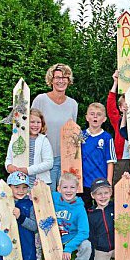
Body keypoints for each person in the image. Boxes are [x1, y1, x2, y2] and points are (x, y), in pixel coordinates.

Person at [31, 63, 78, 191]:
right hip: (44, 158)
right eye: (57, 77)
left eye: (64, 78)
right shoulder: (40, 100)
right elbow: (31, 127)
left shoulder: (73, 104)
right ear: (51, 80)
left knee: (64, 195)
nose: (61, 81)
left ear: (69, 81)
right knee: (46, 195)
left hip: (65, 158)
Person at [0, 171, 38, 260]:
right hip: (8, 243)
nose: (20, 191)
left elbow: (35, 227)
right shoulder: (2, 203)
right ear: (9, 187)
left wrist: (21, 217)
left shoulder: (30, 205)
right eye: (16, 187)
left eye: (24, 187)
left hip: (26, 242)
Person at [53, 172, 92, 260]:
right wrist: (37, 186)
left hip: (72, 238)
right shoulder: (53, 197)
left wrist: (69, 248)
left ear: (77, 189)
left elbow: (84, 232)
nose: (68, 190)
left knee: (86, 245)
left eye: (72, 187)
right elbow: (40, 194)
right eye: (65, 187)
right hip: (56, 240)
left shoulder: (79, 208)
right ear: (59, 189)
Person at [81, 103, 117, 209]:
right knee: (85, 209)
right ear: (87, 117)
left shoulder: (107, 138)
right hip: (84, 182)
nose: (95, 116)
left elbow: (110, 161)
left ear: (104, 119)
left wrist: (108, 182)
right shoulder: (81, 136)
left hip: (100, 181)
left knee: (101, 208)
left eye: (99, 114)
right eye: (92, 114)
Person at [5, 108, 53, 187]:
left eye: (38, 122)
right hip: (19, 184)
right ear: (25, 122)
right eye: (32, 122)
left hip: (38, 184)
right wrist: (9, 166)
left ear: (42, 124)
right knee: (21, 199)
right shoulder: (16, 138)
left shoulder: (44, 140)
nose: (36, 125)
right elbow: (9, 158)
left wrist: (28, 170)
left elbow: (49, 163)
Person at [87, 178, 115, 260]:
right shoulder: (91, 215)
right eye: (99, 194)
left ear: (111, 193)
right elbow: (90, 238)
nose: (103, 196)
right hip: (101, 249)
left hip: (119, 248)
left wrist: (129, 182)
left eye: (106, 193)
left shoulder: (117, 207)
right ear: (92, 196)